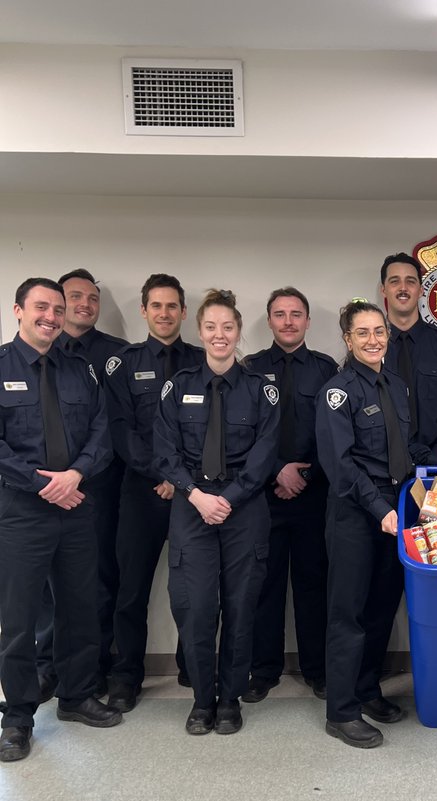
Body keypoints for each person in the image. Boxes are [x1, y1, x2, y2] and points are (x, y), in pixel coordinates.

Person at [0, 278, 122, 763]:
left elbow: (101, 434)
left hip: (76, 506)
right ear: (19, 310)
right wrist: (42, 483)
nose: (50, 316)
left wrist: (75, 475)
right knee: (19, 618)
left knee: (79, 607)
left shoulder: (80, 371)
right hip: (22, 511)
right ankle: (18, 718)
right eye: (41, 307)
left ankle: (76, 696)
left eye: (57, 308)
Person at [154, 289, 279, 736]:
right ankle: (202, 700)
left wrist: (231, 498)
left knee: (242, 607)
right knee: (197, 608)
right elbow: (165, 452)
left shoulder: (262, 389)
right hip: (192, 507)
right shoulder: (178, 386)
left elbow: (266, 453)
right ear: (200, 331)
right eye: (211, 327)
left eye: (228, 327)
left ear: (239, 331)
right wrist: (197, 495)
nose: (219, 334)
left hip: (244, 510)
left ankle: (230, 700)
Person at [104, 274, 204, 712]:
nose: (164, 314)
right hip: (141, 492)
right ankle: (126, 675)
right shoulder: (123, 364)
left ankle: (192, 664)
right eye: (156, 306)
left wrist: (180, 479)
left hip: (188, 495)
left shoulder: (202, 361)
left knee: (192, 588)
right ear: (144, 311)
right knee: (131, 590)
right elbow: (121, 431)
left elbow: (207, 433)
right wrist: (161, 474)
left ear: (183, 312)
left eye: (172, 306)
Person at [315, 300, 412, 749]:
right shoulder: (337, 392)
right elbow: (341, 464)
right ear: (348, 340)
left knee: (380, 609)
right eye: (363, 333)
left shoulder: (396, 386)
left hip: (395, 511)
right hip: (357, 513)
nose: (373, 339)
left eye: (379, 331)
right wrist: (380, 509)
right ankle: (341, 710)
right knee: (348, 614)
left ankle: (368, 690)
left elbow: (403, 452)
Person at [35, 268, 127, 699]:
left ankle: (94, 666)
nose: (85, 305)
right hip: (36, 492)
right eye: (75, 297)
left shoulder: (117, 353)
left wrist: (79, 475)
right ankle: (46, 665)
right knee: (42, 587)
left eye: (93, 299)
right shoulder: (28, 355)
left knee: (98, 579)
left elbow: (113, 425)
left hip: (98, 487)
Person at [243, 288, 338, 703]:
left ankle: (317, 670)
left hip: (313, 494)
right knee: (263, 585)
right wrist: (276, 470)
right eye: (279, 314)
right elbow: (243, 433)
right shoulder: (249, 369)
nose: (288, 321)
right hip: (263, 495)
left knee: (313, 584)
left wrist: (306, 472)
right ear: (269, 320)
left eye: (296, 314)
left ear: (307, 321)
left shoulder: (326, 369)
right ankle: (264, 670)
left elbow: (334, 432)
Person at [380, 252, 437, 468]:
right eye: (394, 281)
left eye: (410, 281)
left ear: (421, 290)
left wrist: (434, 459)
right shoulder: (371, 347)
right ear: (383, 289)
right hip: (382, 466)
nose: (403, 288)